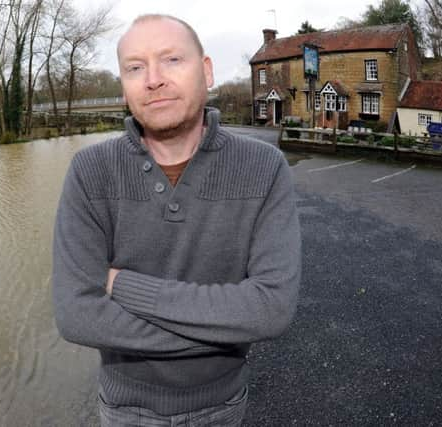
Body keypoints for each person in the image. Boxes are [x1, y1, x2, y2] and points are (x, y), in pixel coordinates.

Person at [52, 14, 301, 426]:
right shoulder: (89, 171)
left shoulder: (264, 168)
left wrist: (123, 286)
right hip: (125, 410)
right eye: (135, 67)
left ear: (206, 71)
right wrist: (224, 328)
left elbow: (271, 308)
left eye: (171, 60)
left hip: (222, 407)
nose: (153, 79)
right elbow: (76, 315)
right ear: (124, 85)